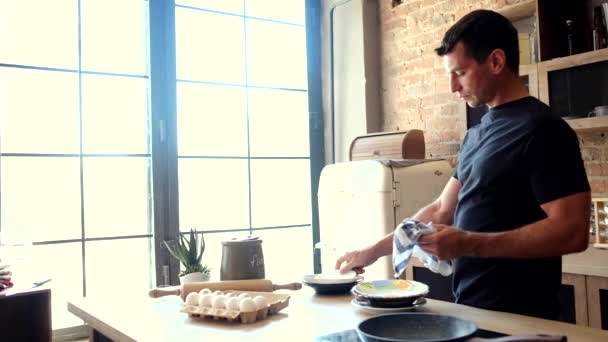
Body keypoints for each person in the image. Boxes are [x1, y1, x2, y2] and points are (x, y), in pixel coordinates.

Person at [335, 9, 591, 320]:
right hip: (470, 309)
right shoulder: (475, 134)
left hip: (523, 318)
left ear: (496, 62)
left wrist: (469, 244)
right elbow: (441, 209)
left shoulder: (543, 129)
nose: (452, 87)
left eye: (460, 73)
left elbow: (572, 231)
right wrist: (372, 251)